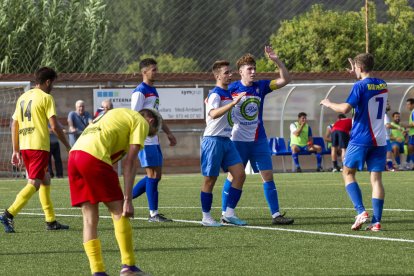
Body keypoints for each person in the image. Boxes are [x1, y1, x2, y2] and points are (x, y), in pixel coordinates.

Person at [68, 107, 160, 276]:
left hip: (74, 156)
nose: (143, 139)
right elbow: (130, 163)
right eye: (148, 135)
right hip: (93, 157)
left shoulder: (116, 115)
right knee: (119, 212)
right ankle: (129, 266)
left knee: (89, 219)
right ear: (150, 121)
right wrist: (128, 200)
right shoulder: (141, 121)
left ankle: (98, 271)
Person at [221, 46, 294, 225]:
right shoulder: (231, 89)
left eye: (254, 69)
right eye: (249, 69)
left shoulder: (261, 86)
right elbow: (214, 102)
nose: (253, 72)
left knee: (268, 176)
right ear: (240, 72)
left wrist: (276, 60)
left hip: (259, 140)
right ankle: (225, 213)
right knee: (233, 177)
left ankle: (276, 215)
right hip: (238, 141)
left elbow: (285, 79)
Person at [320, 53, 387, 232]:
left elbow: (345, 108)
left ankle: (360, 211)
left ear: (360, 67)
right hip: (380, 139)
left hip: (361, 137)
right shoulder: (383, 84)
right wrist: (357, 73)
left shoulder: (359, 86)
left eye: (356, 67)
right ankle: (376, 221)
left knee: (348, 172)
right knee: (376, 179)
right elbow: (368, 92)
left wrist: (328, 103)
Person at [0, 67, 71, 233]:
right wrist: (68, 145)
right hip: (38, 146)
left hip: (25, 145)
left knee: (45, 178)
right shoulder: (46, 97)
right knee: (34, 183)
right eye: (53, 83)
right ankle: (8, 214)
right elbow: (54, 126)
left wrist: (16, 150)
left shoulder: (23, 97)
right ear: (48, 82)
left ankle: (50, 220)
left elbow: (14, 124)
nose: (52, 86)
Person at [200, 60, 247, 227]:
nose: (230, 75)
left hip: (227, 140)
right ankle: (206, 217)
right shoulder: (216, 94)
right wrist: (233, 104)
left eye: (230, 72)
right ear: (217, 76)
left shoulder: (227, 93)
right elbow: (212, 114)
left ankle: (229, 213)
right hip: (213, 140)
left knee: (240, 175)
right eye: (226, 73)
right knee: (210, 180)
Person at [130, 58, 177, 222]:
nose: (157, 72)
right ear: (144, 72)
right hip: (145, 139)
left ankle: (125, 198)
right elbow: (134, 117)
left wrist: (168, 133)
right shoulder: (140, 91)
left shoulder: (153, 90)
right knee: (152, 174)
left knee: (156, 176)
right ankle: (153, 214)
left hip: (154, 138)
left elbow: (156, 116)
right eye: (154, 70)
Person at [384, 102, 395, 171]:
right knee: (388, 152)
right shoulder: (384, 115)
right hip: (385, 137)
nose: (389, 105)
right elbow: (387, 125)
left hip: (381, 137)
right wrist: (398, 127)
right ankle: (390, 167)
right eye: (387, 103)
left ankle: (385, 167)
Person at [404, 98, 414, 169]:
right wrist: (407, 130)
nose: (407, 106)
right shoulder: (412, 112)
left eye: (408, 104)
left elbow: (413, 124)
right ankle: (411, 163)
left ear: (412, 104)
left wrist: (403, 125)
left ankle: (411, 163)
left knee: (410, 148)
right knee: (410, 149)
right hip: (411, 134)